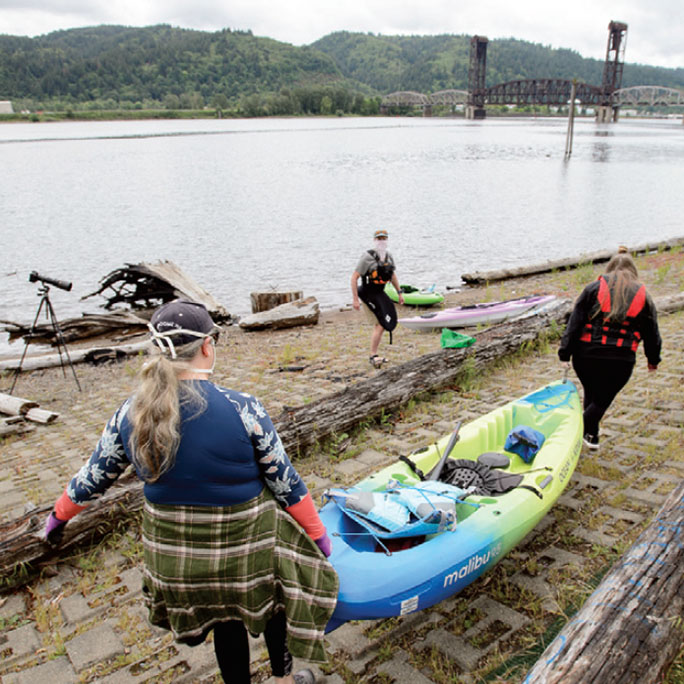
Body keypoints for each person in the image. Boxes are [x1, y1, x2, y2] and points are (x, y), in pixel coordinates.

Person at [43, 299, 338, 684]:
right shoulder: (243, 408)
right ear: (206, 346)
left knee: (225, 621)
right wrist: (318, 535)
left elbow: (90, 480)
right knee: (278, 589)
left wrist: (57, 517)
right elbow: (286, 484)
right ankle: (284, 676)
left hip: (180, 569)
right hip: (247, 559)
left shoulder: (129, 413)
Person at [558, 247, 661, 450]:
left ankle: (591, 437)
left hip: (585, 357)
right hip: (620, 361)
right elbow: (652, 332)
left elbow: (574, 323)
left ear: (609, 268)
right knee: (602, 400)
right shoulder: (644, 297)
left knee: (592, 392)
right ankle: (568, 436)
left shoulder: (592, 289)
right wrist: (653, 359)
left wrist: (565, 353)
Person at [351, 229, 405, 368]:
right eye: (379, 238)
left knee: (387, 319)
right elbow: (354, 277)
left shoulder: (389, 257)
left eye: (384, 238)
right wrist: (355, 299)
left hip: (379, 292)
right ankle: (373, 355)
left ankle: (375, 354)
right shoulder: (367, 257)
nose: (381, 241)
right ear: (375, 240)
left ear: (387, 240)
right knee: (380, 324)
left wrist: (399, 293)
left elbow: (392, 276)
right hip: (367, 292)